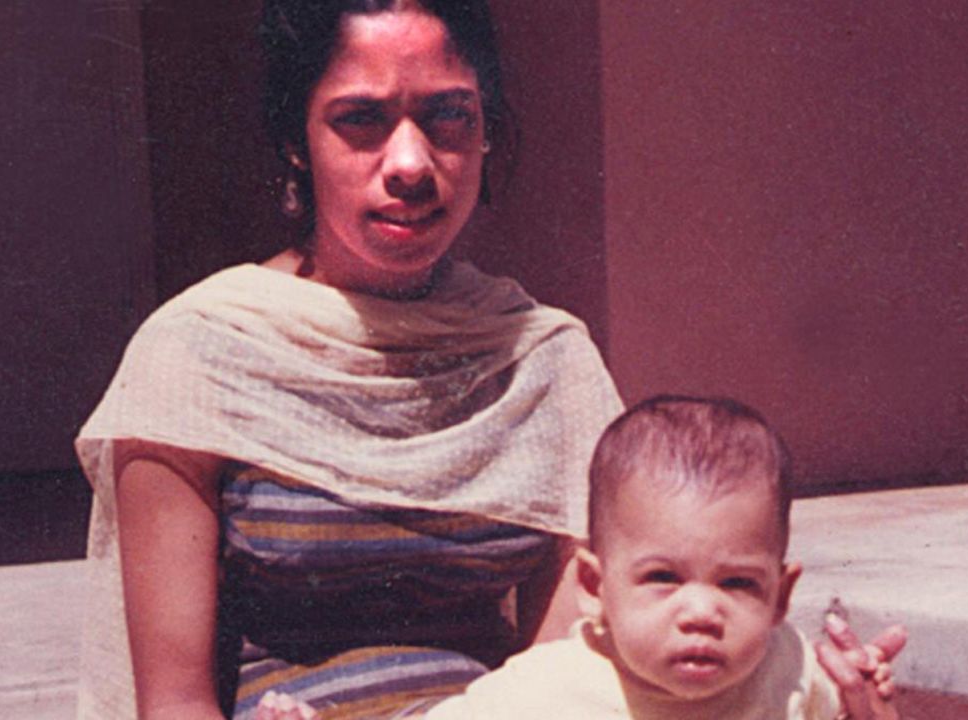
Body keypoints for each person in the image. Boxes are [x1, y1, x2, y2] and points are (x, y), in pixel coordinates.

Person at [75, 1, 623, 718]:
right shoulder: (201, 355)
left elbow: (569, 680)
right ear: (297, 139)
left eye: (449, 114)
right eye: (361, 119)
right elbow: (175, 702)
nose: (410, 163)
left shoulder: (540, 361)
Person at [256, 396, 907, 720]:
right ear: (594, 585)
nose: (702, 611)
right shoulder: (542, 692)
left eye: (738, 583)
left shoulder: (792, 671)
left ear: (781, 598)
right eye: (662, 578)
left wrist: (865, 708)